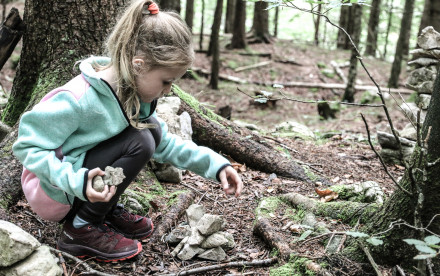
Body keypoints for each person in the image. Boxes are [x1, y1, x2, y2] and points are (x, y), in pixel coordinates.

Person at [12, 0, 243, 262]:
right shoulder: (78, 99)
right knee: (142, 140)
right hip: (55, 191)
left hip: (84, 184)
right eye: (166, 81)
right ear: (138, 65)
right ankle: (80, 228)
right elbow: (27, 146)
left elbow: (165, 144)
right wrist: (78, 181)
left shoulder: (132, 95)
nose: (168, 90)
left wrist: (217, 166)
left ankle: (102, 209)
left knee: (152, 132)